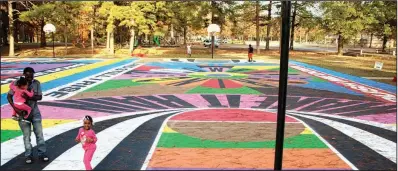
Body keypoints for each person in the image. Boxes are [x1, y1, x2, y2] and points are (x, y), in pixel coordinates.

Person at [7, 67, 49, 164]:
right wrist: (16, 109)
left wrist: (30, 96)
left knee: (39, 134)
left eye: (31, 76)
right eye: (28, 77)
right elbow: (9, 96)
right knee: (26, 136)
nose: (30, 79)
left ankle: (42, 153)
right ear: (24, 75)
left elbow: (40, 97)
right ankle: (28, 155)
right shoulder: (18, 82)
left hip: (35, 113)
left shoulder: (36, 83)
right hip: (22, 114)